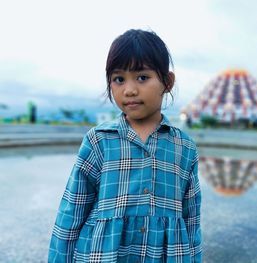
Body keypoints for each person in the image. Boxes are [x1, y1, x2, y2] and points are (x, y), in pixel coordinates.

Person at [48, 29, 202, 263]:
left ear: (167, 82)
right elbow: (72, 209)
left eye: (142, 77)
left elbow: (191, 218)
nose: (129, 90)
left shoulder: (184, 147)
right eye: (119, 79)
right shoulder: (99, 141)